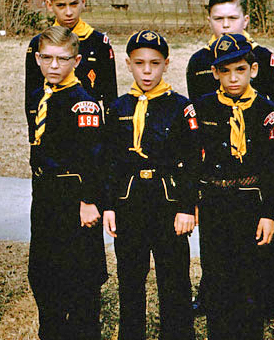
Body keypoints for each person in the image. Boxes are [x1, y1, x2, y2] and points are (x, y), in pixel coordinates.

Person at [186, 0, 274, 319]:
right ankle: (210, 290)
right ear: (209, 21)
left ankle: (271, 294)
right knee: (216, 242)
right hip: (219, 163)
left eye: (232, 18)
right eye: (219, 19)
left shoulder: (264, 59)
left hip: (256, 156)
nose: (226, 26)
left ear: (245, 19)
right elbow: (200, 117)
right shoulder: (200, 62)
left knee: (261, 237)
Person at [102, 30, 198, 340]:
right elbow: (110, 161)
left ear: (166, 64)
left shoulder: (181, 107)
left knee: (174, 277)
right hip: (129, 203)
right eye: (140, 63)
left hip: (168, 203)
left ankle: (179, 333)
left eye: (155, 63)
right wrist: (108, 206)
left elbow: (192, 161)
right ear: (128, 64)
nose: (147, 71)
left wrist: (187, 207)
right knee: (130, 277)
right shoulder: (117, 109)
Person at [26, 26, 108, 340]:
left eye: (62, 59)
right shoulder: (39, 96)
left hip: (75, 195)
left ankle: (85, 330)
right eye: (46, 58)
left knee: (82, 270)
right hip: (45, 192)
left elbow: (95, 156)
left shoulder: (82, 103)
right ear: (37, 59)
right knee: (44, 268)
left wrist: (89, 200)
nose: (54, 65)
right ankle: (52, 328)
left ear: (76, 61)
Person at [25, 0, 117, 112]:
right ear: (50, 5)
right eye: (61, 5)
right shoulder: (38, 43)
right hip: (51, 119)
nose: (68, 12)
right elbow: (32, 98)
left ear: (83, 2)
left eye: (74, 4)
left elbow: (110, 96)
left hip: (88, 120)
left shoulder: (99, 42)